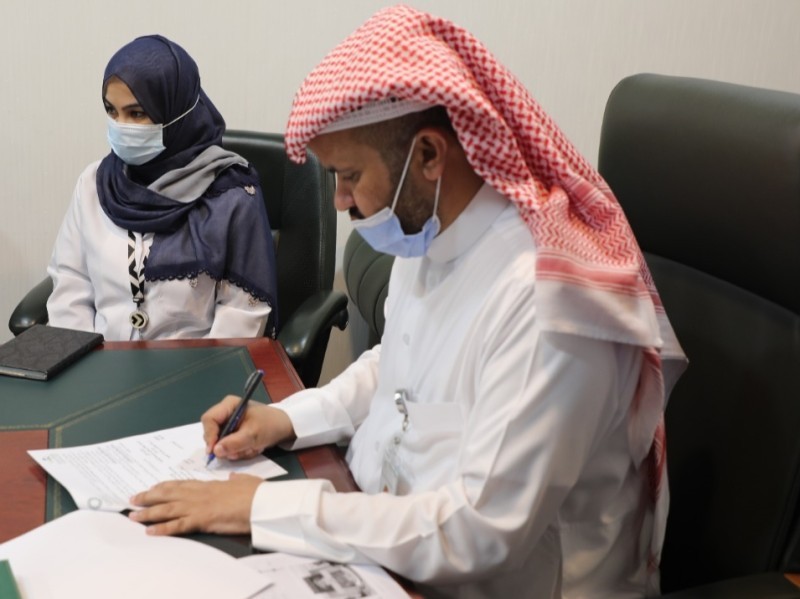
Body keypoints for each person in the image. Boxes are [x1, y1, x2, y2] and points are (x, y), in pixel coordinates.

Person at [129, 7, 687, 598]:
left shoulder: (549, 302)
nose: (339, 201)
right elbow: (398, 366)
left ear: (428, 157)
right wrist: (289, 418)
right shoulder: (431, 229)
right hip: (390, 551)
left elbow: (479, 531)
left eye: (348, 175)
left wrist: (261, 507)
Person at [46, 35, 277, 340]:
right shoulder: (94, 184)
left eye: (136, 113)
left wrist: (200, 370)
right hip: (100, 361)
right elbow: (70, 283)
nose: (120, 125)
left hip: (196, 365)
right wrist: (82, 361)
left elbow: (243, 312)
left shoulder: (231, 196)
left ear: (176, 113)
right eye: (112, 111)